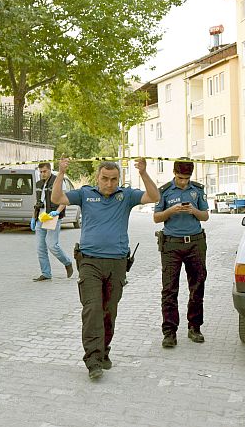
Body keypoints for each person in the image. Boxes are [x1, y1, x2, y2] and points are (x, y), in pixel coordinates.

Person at [51, 157, 159, 380]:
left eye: (114, 179)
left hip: (117, 263)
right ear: (97, 178)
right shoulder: (85, 194)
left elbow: (154, 197)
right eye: (105, 179)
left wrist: (144, 173)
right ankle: (93, 360)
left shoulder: (126, 196)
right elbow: (56, 198)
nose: (109, 184)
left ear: (119, 179)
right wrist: (60, 173)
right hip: (90, 262)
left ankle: (104, 351)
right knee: (92, 310)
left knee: (109, 311)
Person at [154, 160, 209, 348]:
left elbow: (206, 216)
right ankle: (169, 332)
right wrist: (170, 210)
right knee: (169, 289)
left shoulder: (197, 190)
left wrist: (194, 210)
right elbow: (156, 217)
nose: (183, 182)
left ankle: (195, 327)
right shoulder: (165, 191)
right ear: (174, 173)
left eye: (186, 179)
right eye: (180, 178)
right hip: (172, 244)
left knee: (197, 286)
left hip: (195, 242)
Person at [31, 162, 74, 281]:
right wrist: (33, 218)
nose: (42, 174)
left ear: (50, 170)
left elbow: (64, 200)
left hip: (52, 217)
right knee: (40, 248)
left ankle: (67, 262)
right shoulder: (39, 184)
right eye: (40, 172)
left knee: (52, 245)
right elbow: (37, 202)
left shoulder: (58, 181)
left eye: (44, 171)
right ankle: (46, 273)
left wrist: (58, 212)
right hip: (41, 217)